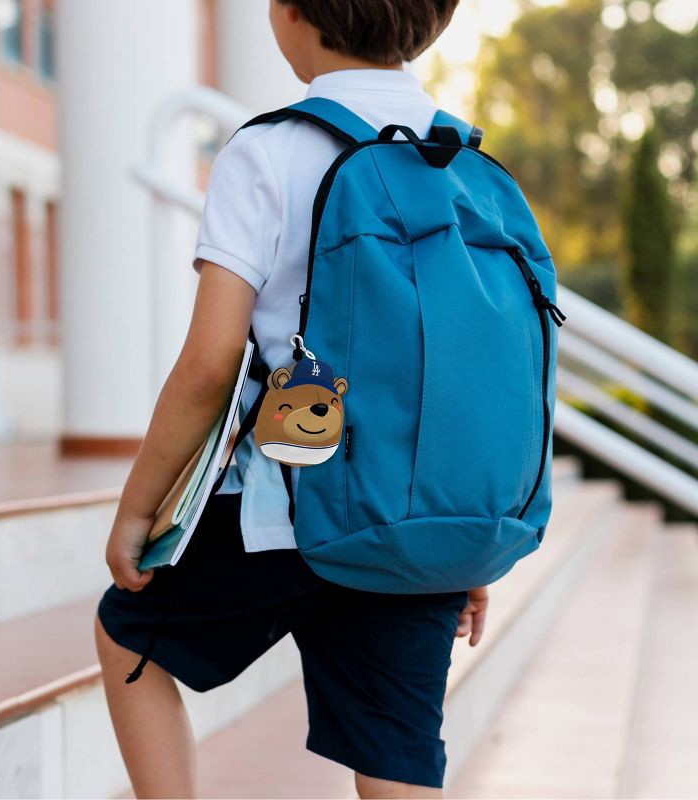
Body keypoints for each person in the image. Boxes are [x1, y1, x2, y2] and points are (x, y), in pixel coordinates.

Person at [94, 1, 489, 797]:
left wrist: (140, 507)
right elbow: (467, 371)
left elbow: (211, 363)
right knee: (395, 753)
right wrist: (464, 535)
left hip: (287, 505)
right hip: (416, 515)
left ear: (290, 14)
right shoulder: (463, 160)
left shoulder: (269, 150)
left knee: (127, 634)